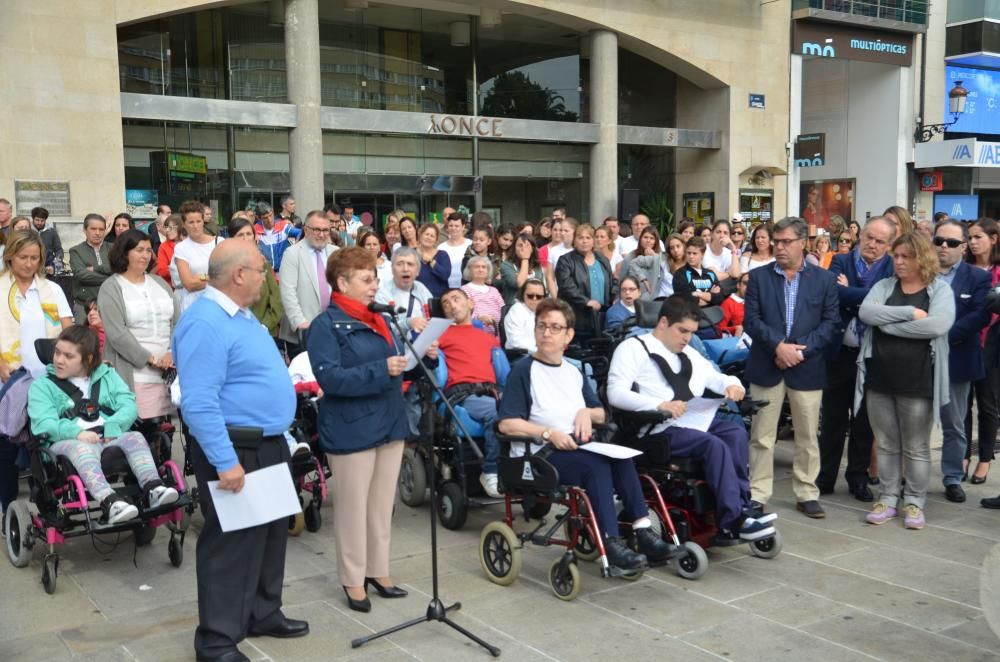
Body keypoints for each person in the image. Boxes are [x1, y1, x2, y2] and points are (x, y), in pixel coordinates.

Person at [174, 239, 307, 659]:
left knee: (270, 536)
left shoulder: (240, 315)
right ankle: (216, 640)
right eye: (261, 270)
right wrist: (226, 461)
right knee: (231, 546)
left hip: (266, 443)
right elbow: (198, 401)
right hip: (235, 448)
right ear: (238, 274)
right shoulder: (205, 321)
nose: (266, 277)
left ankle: (262, 612)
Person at [499, 298, 673, 570]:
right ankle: (611, 542)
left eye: (555, 327)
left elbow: (601, 414)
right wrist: (547, 433)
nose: (546, 332)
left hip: (576, 446)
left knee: (623, 459)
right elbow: (507, 424)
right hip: (540, 454)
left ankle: (643, 532)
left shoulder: (573, 370)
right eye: (542, 326)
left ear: (568, 334)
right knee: (596, 467)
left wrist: (585, 413)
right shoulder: (523, 371)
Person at [608, 295, 776, 543]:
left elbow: (713, 376)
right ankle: (732, 520)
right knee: (713, 445)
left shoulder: (687, 352)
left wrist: (732, 385)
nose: (687, 338)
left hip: (687, 421)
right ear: (663, 322)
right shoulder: (633, 348)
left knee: (735, 433)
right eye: (682, 330)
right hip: (653, 427)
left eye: (692, 332)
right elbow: (616, 393)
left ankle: (743, 505)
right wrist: (659, 405)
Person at [306, 247, 415, 614]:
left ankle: (378, 571)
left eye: (375, 279)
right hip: (352, 428)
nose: (374, 286)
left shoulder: (379, 318)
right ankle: (353, 579)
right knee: (353, 510)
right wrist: (382, 369)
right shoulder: (325, 325)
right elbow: (330, 378)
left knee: (382, 507)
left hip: (389, 420)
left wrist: (419, 357)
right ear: (342, 282)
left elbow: (397, 364)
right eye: (366, 279)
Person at [27, 325, 179, 525]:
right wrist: (76, 432)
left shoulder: (107, 375)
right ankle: (110, 502)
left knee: (136, 437)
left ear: (88, 359)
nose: (59, 360)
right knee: (82, 448)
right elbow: (44, 423)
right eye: (57, 353)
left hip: (108, 434)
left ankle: (153, 488)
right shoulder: (42, 386)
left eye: (68, 356)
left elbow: (128, 404)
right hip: (68, 441)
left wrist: (114, 425)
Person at [856, 233, 955, 529]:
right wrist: (908, 313)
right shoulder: (884, 286)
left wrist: (889, 327)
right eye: (896, 256)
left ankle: (914, 501)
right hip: (880, 377)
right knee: (886, 444)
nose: (898, 262)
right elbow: (866, 312)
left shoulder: (939, 290)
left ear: (921, 258)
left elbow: (937, 324)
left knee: (916, 446)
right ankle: (887, 498)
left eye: (906, 257)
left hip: (918, 380)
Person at [744, 216, 840, 519]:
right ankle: (758, 493)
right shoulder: (759, 277)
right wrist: (778, 346)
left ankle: (806, 491)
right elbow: (752, 320)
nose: (779, 247)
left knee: (808, 436)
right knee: (761, 435)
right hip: (767, 364)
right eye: (777, 241)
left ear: (803, 243)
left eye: (786, 242)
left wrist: (800, 352)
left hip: (806, 367)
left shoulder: (823, 279)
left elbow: (830, 323)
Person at [816, 217, 895, 500]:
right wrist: (872, 298)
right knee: (833, 419)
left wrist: (853, 294)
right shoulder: (841, 260)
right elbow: (834, 293)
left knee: (864, 422)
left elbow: (891, 301)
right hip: (840, 354)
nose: (872, 244)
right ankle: (825, 476)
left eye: (879, 240)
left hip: (874, 356)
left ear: (889, 245)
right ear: (860, 235)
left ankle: (857, 478)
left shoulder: (892, 267)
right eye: (869, 237)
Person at [0, 231, 75, 523]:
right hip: (9, 378)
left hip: (47, 379)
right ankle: (7, 506)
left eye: (35, 258)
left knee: (42, 443)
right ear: (10, 256)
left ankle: (44, 504)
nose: (29, 263)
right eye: (23, 257)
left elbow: (67, 329)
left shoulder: (51, 290)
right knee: (7, 445)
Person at [933, 220, 990, 505]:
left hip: (956, 359)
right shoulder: (921, 273)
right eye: (939, 240)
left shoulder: (977, 278)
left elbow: (979, 315)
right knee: (913, 421)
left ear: (964, 247)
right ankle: (909, 475)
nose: (944, 246)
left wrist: (941, 335)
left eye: (952, 242)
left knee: (954, 424)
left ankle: (953, 477)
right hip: (918, 359)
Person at [97, 230, 175, 420]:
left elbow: (177, 322)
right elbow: (117, 334)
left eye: (148, 250)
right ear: (124, 253)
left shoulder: (159, 284)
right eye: (139, 250)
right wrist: (150, 359)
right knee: (140, 437)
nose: (145, 255)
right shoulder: (111, 287)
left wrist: (172, 352)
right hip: (134, 374)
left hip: (168, 373)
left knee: (167, 436)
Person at [437, 288, 503, 496]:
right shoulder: (440, 334)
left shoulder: (488, 337)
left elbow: (502, 371)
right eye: (446, 303)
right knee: (497, 414)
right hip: (464, 393)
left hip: (493, 391)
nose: (452, 305)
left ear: (471, 303)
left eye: (456, 299)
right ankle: (490, 470)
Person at [966, 218, 1000, 485]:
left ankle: (985, 458)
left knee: (988, 406)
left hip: (992, 346)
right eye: (970, 237)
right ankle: (962, 454)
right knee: (960, 404)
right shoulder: (964, 269)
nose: (973, 242)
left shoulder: (998, 270)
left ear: (993, 239)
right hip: (965, 342)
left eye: (978, 237)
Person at [278, 210, 336, 350]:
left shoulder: (336, 253)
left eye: (325, 230)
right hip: (303, 332)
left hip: (333, 330)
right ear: (306, 229)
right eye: (316, 229)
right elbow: (287, 292)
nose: (321, 234)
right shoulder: (292, 253)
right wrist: (300, 323)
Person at [229, 218, 283, 339]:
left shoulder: (264, 265)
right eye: (240, 234)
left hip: (264, 332)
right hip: (235, 334)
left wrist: (265, 325)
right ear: (231, 239)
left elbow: (276, 300)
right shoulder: (225, 267)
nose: (245, 238)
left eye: (249, 234)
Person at [555, 224, 613, 337]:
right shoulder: (566, 261)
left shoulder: (602, 259)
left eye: (588, 238)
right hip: (577, 316)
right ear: (574, 241)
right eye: (580, 237)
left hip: (601, 315)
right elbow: (566, 286)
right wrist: (586, 301)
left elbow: (612, 281)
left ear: (593, 241)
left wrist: (615, 297)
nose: (584, 241)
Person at [173, 200, 223, 313]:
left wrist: (199, 278)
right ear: (184, 224)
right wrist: (214, 277)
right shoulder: (181, 248)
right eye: (191, 222)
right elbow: (188, 284)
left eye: (198, 221)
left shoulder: (219, 242)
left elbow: (228, 276)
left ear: (203, 221)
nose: (195, 226)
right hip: (193, 306)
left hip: (217, 304)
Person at [374, 247, 432, 337]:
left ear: (417, 271)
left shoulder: (421, 288)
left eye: (410, 264)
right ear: (392, 270)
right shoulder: (382, 294)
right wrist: (408, 323)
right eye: (400, 264)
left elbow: (434, 318)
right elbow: (386, 328)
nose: (405, 269)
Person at [69, 214, 113, 323]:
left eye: (101, 229)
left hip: (110, 305)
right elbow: (81, 275)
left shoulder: (113, 248)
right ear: (85, 230)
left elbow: (119, 270)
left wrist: (96, 269)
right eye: (93, 229)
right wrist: (111, 278)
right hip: (84, 307)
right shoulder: (76, 251)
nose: (97, 233)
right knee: (83, 339)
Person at [673, 237, 723, 308]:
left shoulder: (710, 274)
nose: (691, 256)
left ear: (702, 254)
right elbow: (686, 300)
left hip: (712, 314)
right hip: (690, 315)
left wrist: (698, 294)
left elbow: (720, 297)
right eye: (689, 253)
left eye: (695, 253)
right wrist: (710, 296)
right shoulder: (680, 274)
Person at [461, 256, 504, 336]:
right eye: (477, 267)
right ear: (469, 270)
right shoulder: (464, 290)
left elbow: (503, 310)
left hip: (497, 334)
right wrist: (479, 318)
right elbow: (464, 313)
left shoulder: (494, 290)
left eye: (484, 267)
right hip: (475, 334)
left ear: (488, 271)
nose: (480, 270)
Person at [254, 202, 301, 273]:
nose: (269, 220)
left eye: (270, 215)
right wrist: (253, 237)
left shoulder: (282, 225)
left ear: (273, 212)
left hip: (283, 270)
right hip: (265, 272)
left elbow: (301, 232)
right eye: (265, 218)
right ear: (259, 218)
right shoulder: (254, 229)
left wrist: (297, 244)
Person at [498, 233, 544, 305]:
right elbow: (520, 284)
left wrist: (519, 275)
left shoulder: (537, 266)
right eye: (520, 245)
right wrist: (525, 259)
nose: (523, 248)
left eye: (527, 246)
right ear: (514, 248)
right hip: (514, 306)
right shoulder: (506, 265)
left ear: (533, 248)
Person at [620, 227, 663, 301]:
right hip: (634, 300)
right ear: (640, 239)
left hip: (656, 300)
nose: (648, 241)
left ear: (656, 241)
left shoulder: (661, 257)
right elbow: (622, 278)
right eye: (645, 237)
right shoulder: (630, 257)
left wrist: (654, 257)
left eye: (651, 238)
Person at [503, 279, 545, 353]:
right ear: (523, 295)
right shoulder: (517, 310)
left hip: (543, 354)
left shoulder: (545, 311)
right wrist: (541, 351)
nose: (534, 299)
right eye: (530, 296)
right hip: (520, 356)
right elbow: (515, 341)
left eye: (539, 296)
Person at [415, 223, 451, 297]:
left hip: (438, 300)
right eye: (426, 234)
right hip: (417, 298)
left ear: (436, 240)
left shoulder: (442, 255)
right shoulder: (411, 254)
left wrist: (432, 262)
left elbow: (445, 275)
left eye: (432, 236)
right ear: (421, 235)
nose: (428, 237)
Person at [439, 212, 471, 288]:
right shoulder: (441, 247)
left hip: (467, 287)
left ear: (463, 227)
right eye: (451, 226)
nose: (453, 228)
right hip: (446, 288)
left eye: (457, 226)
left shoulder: (470, 245)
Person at [718, 272, 749, 336]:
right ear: (738, 285)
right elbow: (718, 329)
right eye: (746, 283)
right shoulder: (728, 303)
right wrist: (735, 328)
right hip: (740, 339)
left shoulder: (756, 301)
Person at [155, 214, 182, 283]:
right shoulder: (164, 247)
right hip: (172, 289)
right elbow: (162, 271)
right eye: (166, 227)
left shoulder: (190, 244)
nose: (167, 230)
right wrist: (184, 271)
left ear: (180, 227)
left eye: (170, 227)